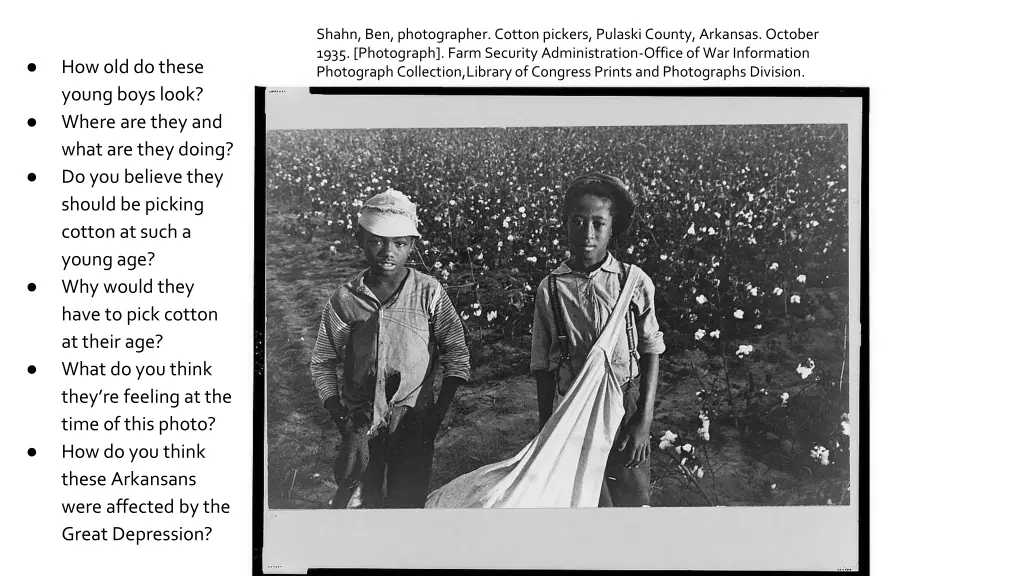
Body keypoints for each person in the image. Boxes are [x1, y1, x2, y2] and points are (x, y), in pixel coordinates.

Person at [310, 189, 470, 509]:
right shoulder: (346, 300)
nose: (388, 251)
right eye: (377, 240)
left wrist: (437, 415)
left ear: (412, 245)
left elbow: (456, 352)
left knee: (407, 501)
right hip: (360, 422)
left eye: (399, 243)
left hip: (414, 418)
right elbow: (323, 361)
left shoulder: (428, 292)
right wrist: (342, 420)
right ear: (360, 239)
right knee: (361, 501)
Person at [530, 172, 665, 507]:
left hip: (624, 405)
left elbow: (650, 350)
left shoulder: (632, 282)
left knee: (632, 499)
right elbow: (542, 366)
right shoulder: (551, 289)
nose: (587, 234)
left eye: (598, 223)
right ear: (565, 224)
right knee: (587, 499)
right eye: (577, 222)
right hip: (573, 409)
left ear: (611, 227)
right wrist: (547, 429)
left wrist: (643, 422)